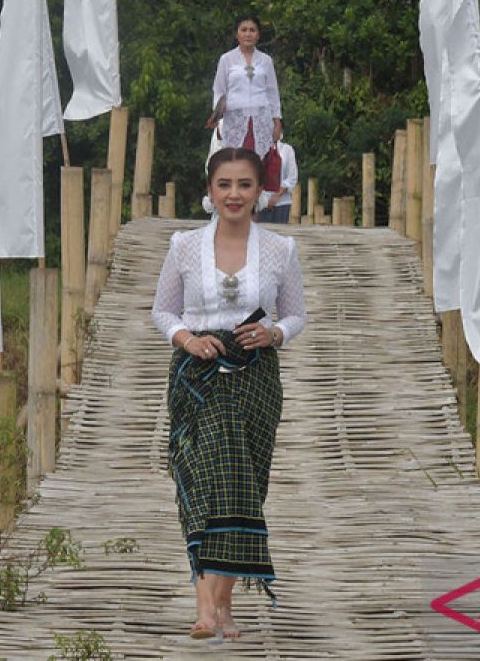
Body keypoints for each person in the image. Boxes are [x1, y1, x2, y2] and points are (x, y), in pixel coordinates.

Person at [151, 147, 307, 641]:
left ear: (261, 192)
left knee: (242, 485)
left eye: (244, 185)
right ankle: (205, 605)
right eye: (224, 185)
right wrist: (189, 339)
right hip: (198, 377)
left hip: (255, 376)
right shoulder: (184, 246)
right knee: (201, 481)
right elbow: (163, 312)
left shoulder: (281, 250)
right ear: (210, 190)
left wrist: (275, 334)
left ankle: (224, 604)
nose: (234, 194)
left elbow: (296, 314)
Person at [206, 15, 283, 161]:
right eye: (244, 30)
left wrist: (277, 122)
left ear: (258, 35)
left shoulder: (266, 61)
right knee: (236, 161)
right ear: (237, 34)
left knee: (259, 163)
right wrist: (217, 115)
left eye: (252, 30)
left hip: (261, 119)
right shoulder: (226, 59)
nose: (248, 34)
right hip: (235, 119)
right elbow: (219, 90)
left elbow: (273, 93)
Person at [256, 139, 298, 224]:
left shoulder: (287, 149)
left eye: (276, 125)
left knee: (280, 234)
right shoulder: (256, 148)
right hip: (260, 202)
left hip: (282, 202)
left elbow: (292, 178)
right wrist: (263, 199)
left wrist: (277, 195)